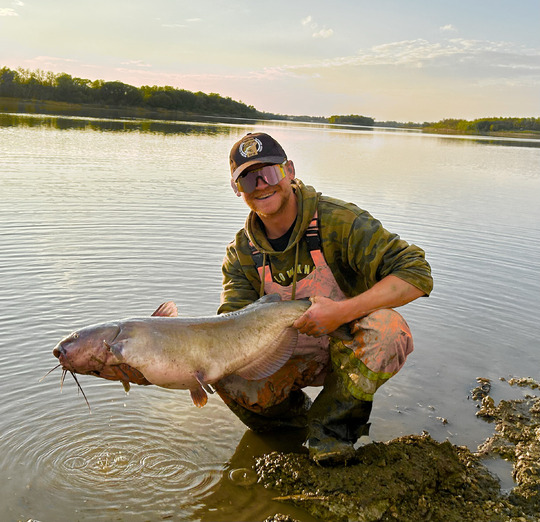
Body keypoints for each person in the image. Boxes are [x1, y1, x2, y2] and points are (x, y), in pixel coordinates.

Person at [215, 132, 433, 464]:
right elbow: (229, 328)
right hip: (282, 354)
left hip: (346, 342)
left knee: (388, 330)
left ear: (289, 170)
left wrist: (342, 312)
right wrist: (162, 365)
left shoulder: (339, 222)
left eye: (268, 173)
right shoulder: (242, 253)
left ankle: (331, 432)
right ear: (237, 190)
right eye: (247, 179)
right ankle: (288, 425)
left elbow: (416, 272)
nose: (260, 185)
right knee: (222, 369)